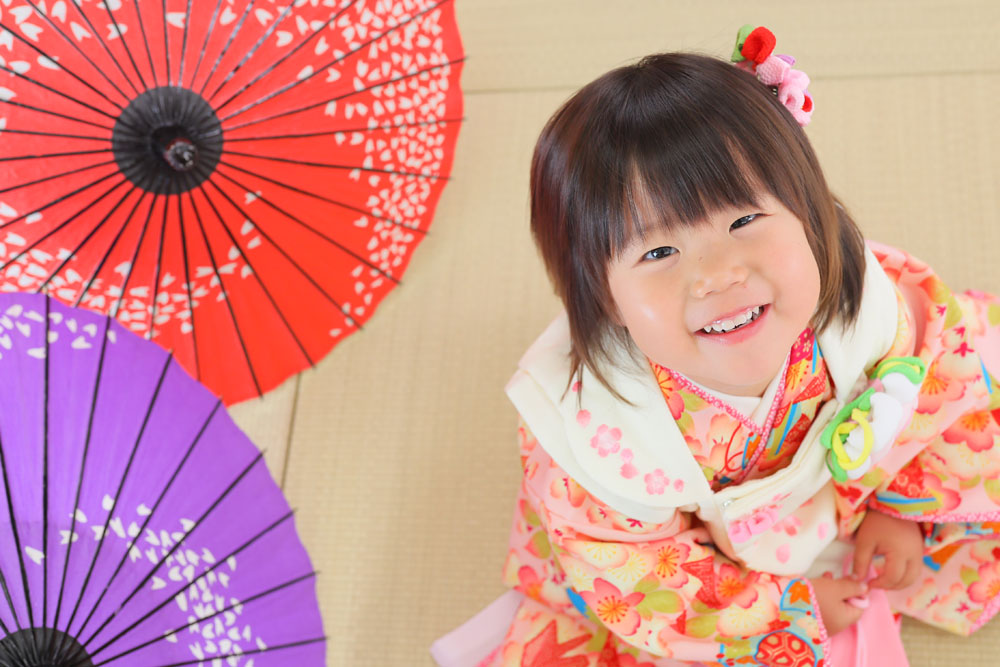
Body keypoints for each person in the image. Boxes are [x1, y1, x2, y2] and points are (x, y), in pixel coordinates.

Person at [432, 26, 1000, 667]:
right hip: (711, 564)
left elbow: (932, 385)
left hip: (844, 493)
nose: (717, 275)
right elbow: (640, 572)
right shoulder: (597, 435)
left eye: (744, 220)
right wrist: (788, 608)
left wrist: (899, 510)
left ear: (809, 214)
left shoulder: (871, 309)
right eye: (658, 252)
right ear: (605, 298)